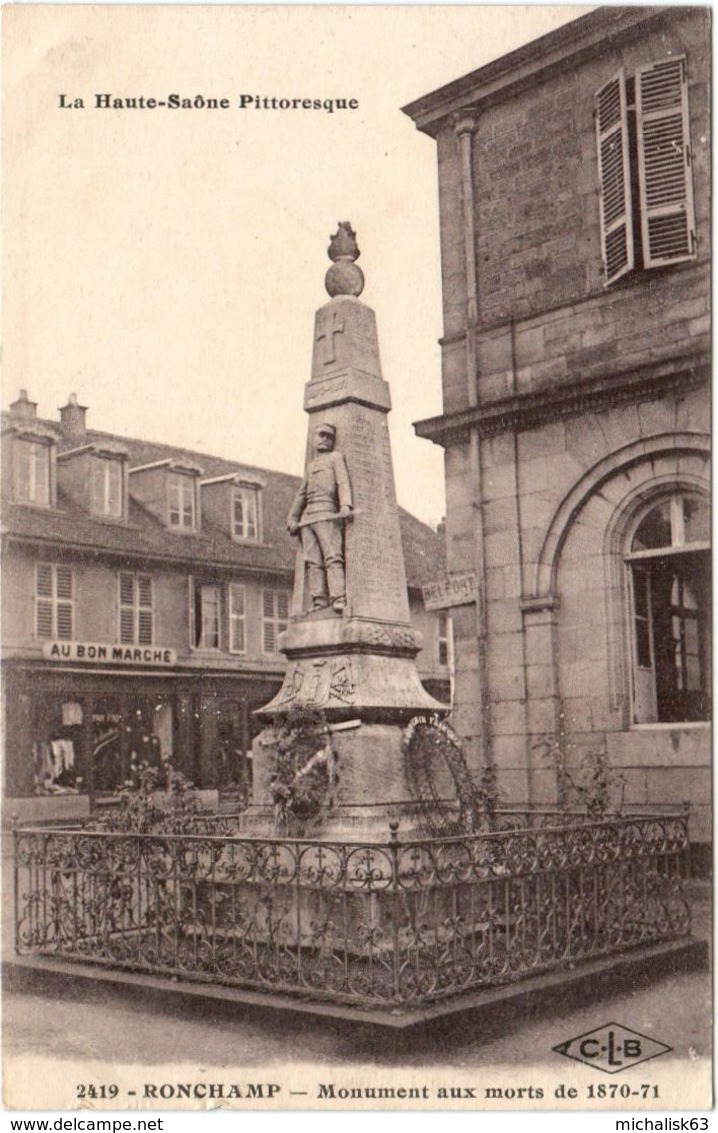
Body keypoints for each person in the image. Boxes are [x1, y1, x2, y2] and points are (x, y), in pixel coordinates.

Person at [287, 423, 353, 611]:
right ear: (313, 438)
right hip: (308, 519)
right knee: (313, 562)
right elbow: (302, 494)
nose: (324, 439)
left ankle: (338, 596)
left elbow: (342, 482)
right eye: (320, 435)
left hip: (327, 513)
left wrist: (346, 505)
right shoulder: (311, 466)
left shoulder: (335, 458)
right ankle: (319, 599)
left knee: (333, 557)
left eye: (328, 436)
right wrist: (292, 518)